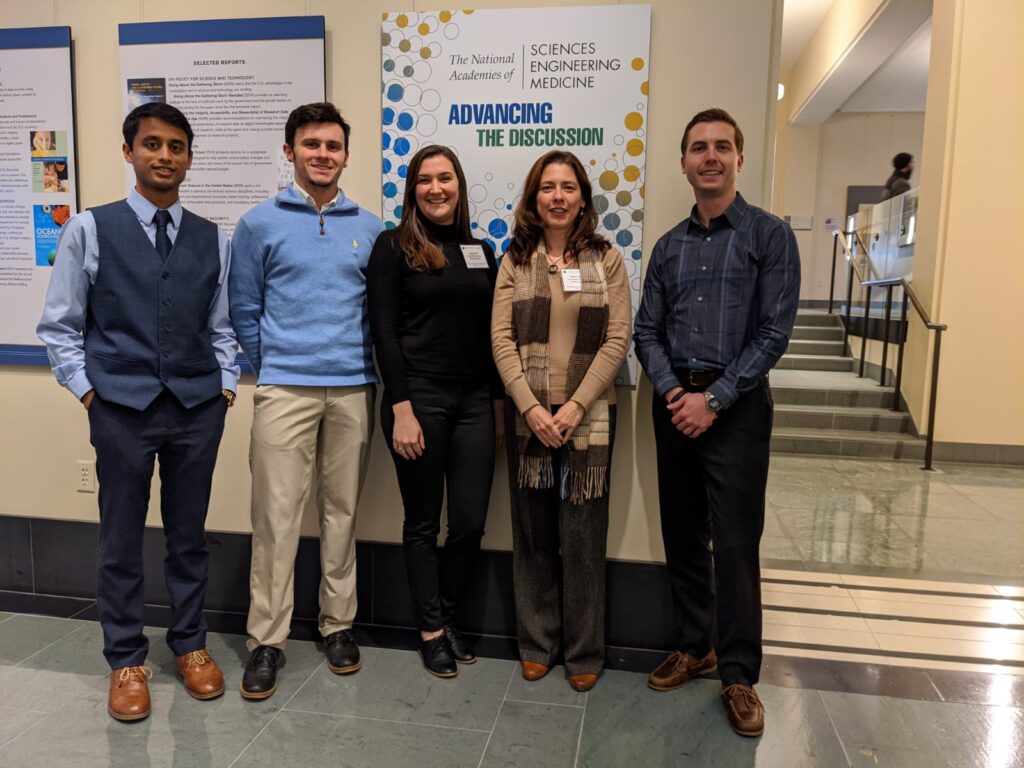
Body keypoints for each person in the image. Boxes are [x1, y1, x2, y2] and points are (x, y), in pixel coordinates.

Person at [37, 103, 239, 722]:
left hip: (197, 407)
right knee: (120, 537)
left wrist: (224, 389)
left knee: (189, 536)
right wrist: (90, 392)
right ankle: (126, 657)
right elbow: (60, 327)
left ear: (188, 158)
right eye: (152, 144)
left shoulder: (213, 237)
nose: (164, 156)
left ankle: (190, 644)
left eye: (176, 146)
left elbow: (223, 326)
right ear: (129, 152)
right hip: (119, 409)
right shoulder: (90, 230)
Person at [634, 107, 800, 737]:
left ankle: (737, 675)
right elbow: (647, 329)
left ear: (738, 158)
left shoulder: (768, 235)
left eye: (722, 147)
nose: (710, 156)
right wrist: (676, 391)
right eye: (698, 147)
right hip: (675, 405)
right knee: (681, 533)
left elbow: (774, 331)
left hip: (737, 410)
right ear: (682, 162)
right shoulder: (669, 246)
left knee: (734, 546)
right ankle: (694, 646)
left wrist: (716, 398)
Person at [230, 102, 383, 700]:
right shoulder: (259, 224)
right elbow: (243, 307)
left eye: (334, 145)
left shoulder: (369, 228)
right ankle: (266, 640)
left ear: (347, 154)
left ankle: (337, 625)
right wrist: (272, 366)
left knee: (342, 512)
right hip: (285, 388)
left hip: (351, 387)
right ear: (289, 150)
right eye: (311, 144)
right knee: (275, 519)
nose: (324, 154)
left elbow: (377, 311)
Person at [491, 150, 631, 693]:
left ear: (582, 198)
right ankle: (537, 644)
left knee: (582, 537)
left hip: (588, 419)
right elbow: (501, 339)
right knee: (532, 536)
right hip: (530, 420)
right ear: (534, 197)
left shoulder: (606, 259)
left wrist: (573, 407)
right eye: (547, 187)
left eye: (567, 187)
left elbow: (618, 339)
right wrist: (530, 406)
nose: (557, 196)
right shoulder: (515, 259)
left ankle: (583, 651)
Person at [367, 145, 503, 677]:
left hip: (473, 403)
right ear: (412, 191)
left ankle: (447, 618)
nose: (436, 188)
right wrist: (400, 407)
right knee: (422, 521)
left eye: (445, 178)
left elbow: (492, 338)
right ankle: (429, 630)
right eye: (424, 179)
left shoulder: (481, 251)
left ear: (460, 186)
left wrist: (494, 408)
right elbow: (384, 332)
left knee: (469, 522)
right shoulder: (393, 247)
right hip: (416, 399)